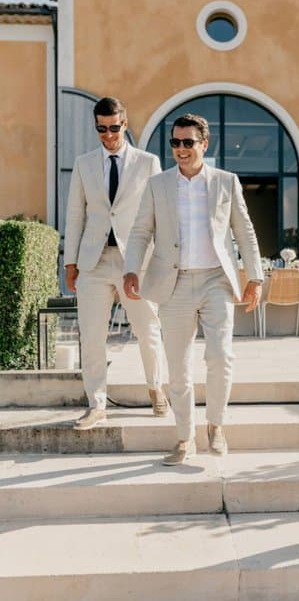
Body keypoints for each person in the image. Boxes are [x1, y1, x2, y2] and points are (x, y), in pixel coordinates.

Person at [123, 113, 263, 466]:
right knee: (178, 368)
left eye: (188, 142)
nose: (181, 149)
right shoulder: (158, 185)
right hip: (174, 283)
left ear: (204, 144)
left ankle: (215, 425)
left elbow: (244, 231)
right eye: (175, 142)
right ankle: (185, 437)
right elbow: (141, 232)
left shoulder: (225, 182)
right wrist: (130, 269)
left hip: (217, 280)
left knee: (221, 356)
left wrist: (255, 276)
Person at [63, 96, 168, 430]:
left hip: (134, 262)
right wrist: (71, 262)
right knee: (91, 335)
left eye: (113, 127)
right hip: (94, 261)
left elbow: (159, 216)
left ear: (125, 124)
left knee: (147, 328)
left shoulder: (148, 162)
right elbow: (75, 214)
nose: (107, 134)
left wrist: (157, 262)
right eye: (101, 129)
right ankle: (96, 404)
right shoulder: (83, 164)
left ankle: (156, 388)